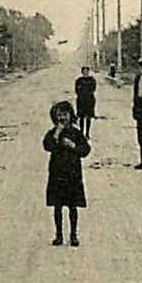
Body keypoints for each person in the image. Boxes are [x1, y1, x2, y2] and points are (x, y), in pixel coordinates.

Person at [43, 100, 90, 246]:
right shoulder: (53, 133)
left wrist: (74, 146)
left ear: (71, 115)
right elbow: (47, 146)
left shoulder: (76, 133)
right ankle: (58, 235)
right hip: (57, 173)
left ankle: (73, 234)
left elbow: (86, 150)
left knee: (72, 206)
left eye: (65, 114)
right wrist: (56, 134)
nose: (62, 118)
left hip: (72, 173)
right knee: (57, 206)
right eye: (59, 115)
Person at [73, 65, 97, 139]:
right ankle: (81, 132)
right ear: (82, 72)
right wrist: (81, 95)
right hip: (81, 101)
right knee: (81, 117)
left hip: (89, 100)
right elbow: (76, 90)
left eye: (87, 71)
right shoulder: (79, 80)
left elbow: (93, 89)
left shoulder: (92, 80)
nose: (85, 73)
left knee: (88, 117)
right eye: (84, 71)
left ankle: (87, 133)